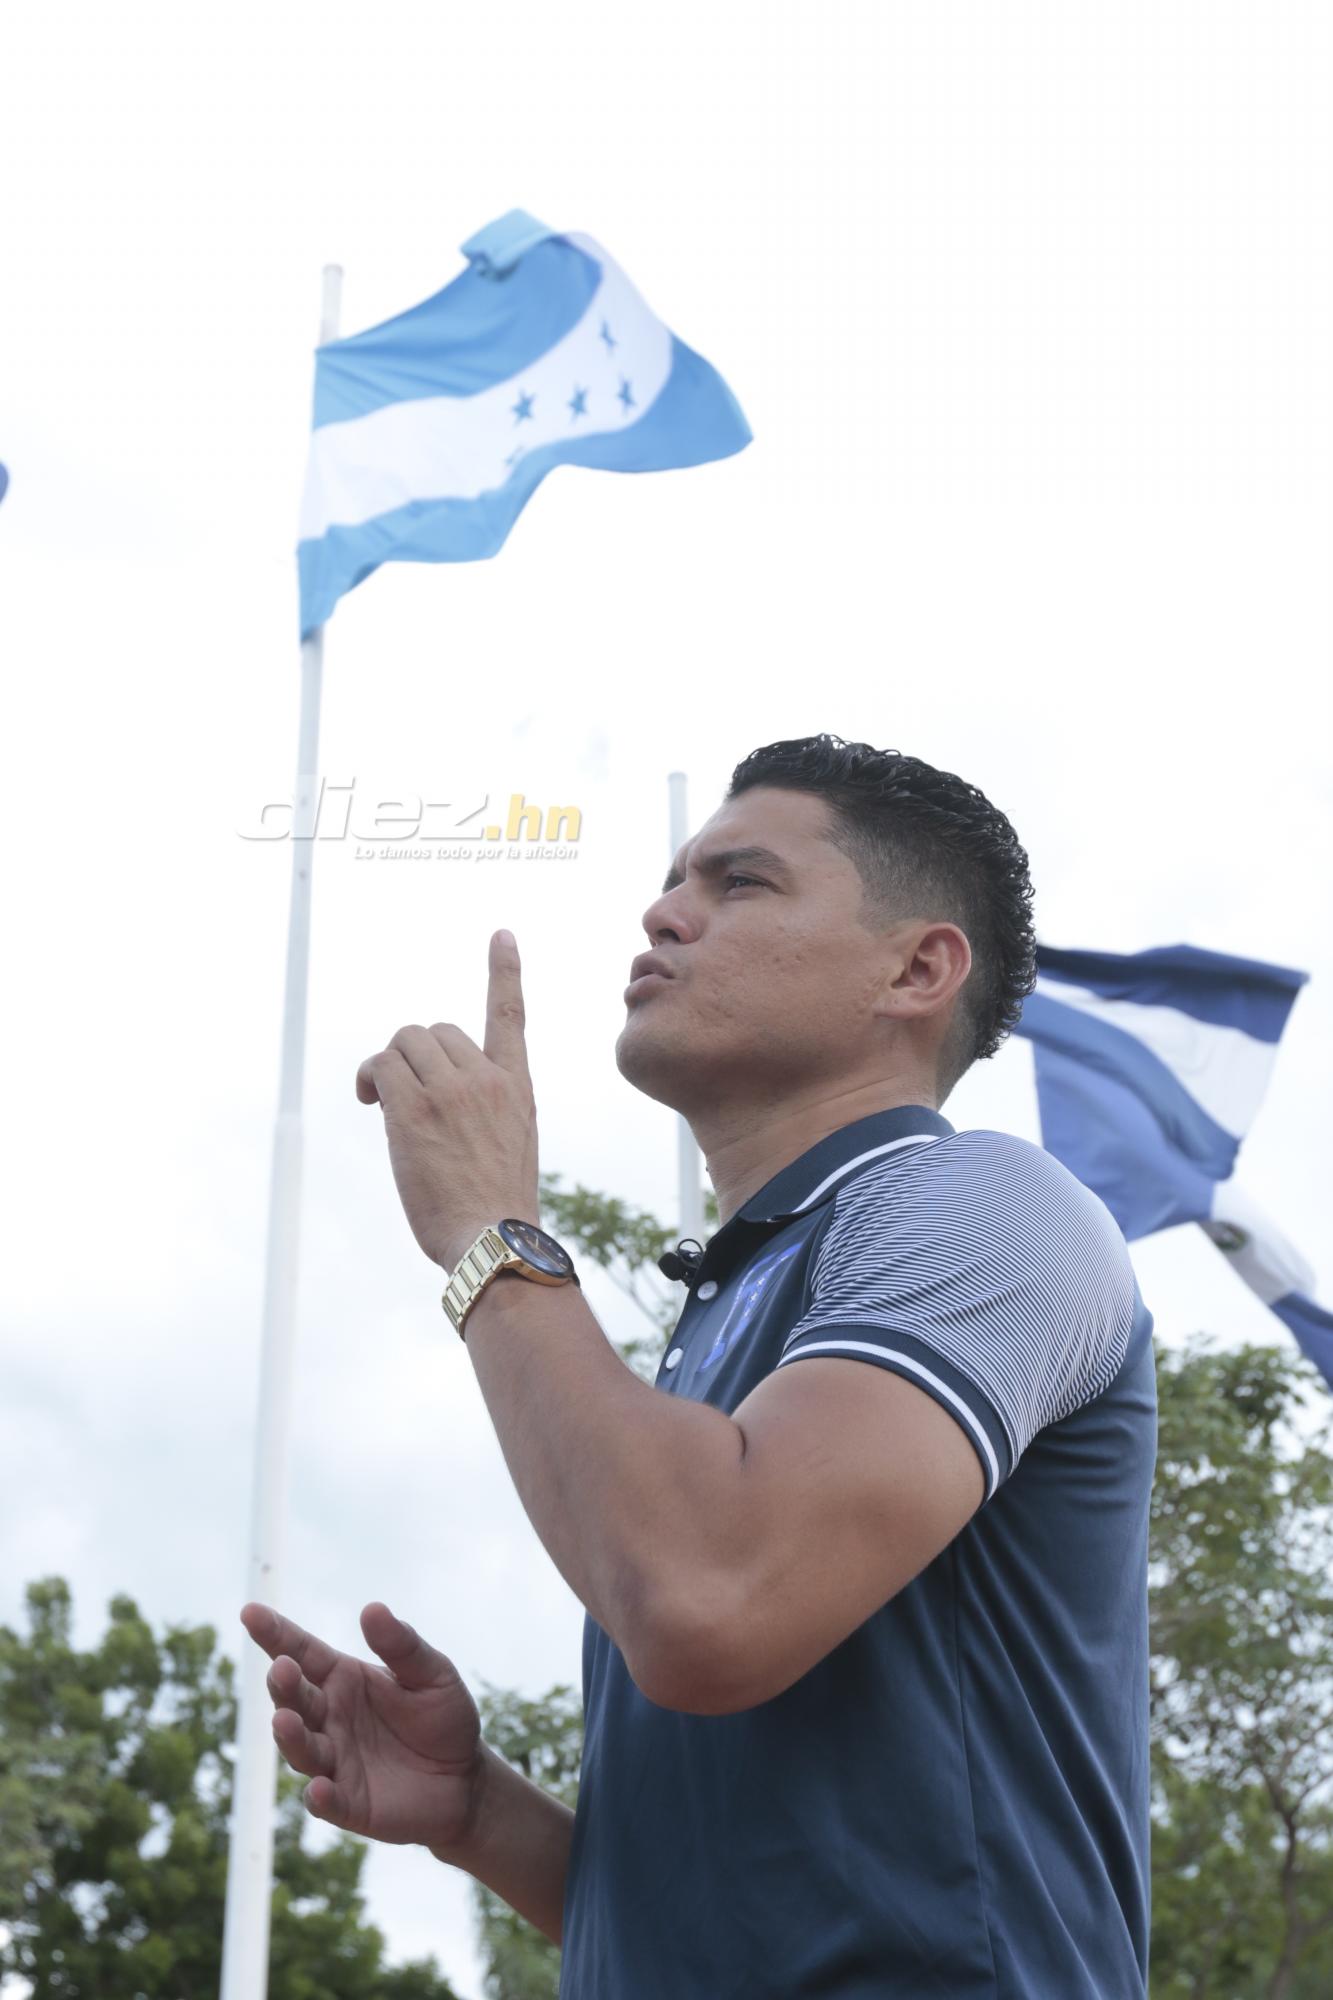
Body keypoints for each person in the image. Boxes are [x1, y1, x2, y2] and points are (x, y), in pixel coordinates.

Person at [241, 732, 1157, 1998]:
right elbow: (765, 1909)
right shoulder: (723, 1321)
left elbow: (706, 1600)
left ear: (915, 966)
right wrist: (479, 1815)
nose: (664, 912)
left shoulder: (984, 1205)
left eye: (742, 883)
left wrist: (490, 1235)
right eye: (677, 879)